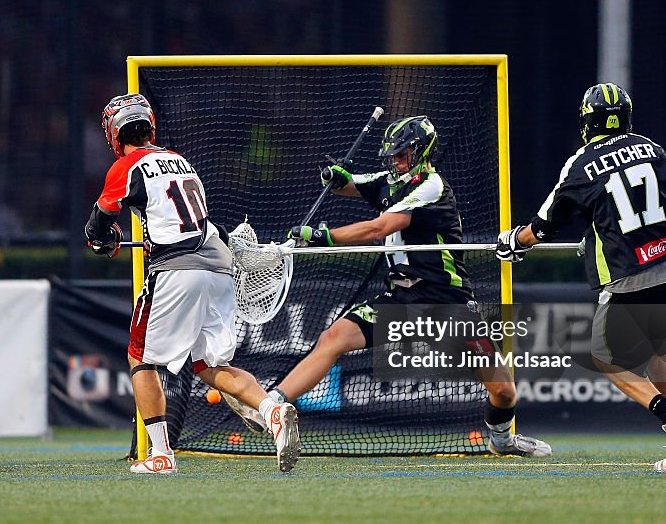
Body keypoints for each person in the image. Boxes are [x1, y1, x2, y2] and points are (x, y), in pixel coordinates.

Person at [228, 115, 551, 457]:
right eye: (392, 154)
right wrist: (336, 178)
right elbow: (354, 183)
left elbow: (378, 229)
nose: (395, 160)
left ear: (421, 151)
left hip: (445, 300)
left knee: (502, 390)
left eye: (402, 153)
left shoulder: (431, 186)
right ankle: (269, 408)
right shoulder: (390, 180)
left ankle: (502, 441)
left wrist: (324, 236)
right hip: (402, 298)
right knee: (334, 338)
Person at [85, 93, 301, 474]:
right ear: (149, 124)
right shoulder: (180, 161)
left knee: (141, 358)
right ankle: (272, 412)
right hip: (217, 267)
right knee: (209, 363)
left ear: (115, 134)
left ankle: (161, 454)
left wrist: (103, 237)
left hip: (176, 268)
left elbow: (100, 220)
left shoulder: (127, 165)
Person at [496, 82, 666, 474]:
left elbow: (544, 224)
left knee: (607, 359)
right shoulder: (652, 149)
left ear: (587, 122)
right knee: (659, 355)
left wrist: (513, 241)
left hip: (629, 275)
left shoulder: (582, 161)